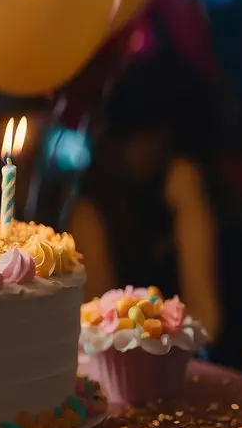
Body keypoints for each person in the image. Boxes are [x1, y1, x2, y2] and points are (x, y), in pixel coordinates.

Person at [64, 54, 222, 340]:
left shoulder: (182, 197)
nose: (150, 150)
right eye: (143, 136)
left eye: (163, 139)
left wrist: (190, 208)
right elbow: (102, 337)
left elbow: (207, 323)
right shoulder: (92, 213)